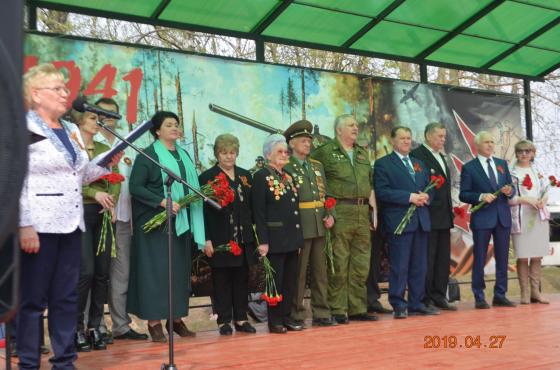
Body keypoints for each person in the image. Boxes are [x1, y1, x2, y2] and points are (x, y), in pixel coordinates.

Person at [17, 63, 120, 369]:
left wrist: (106, 162)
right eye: (58, 88)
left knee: (65, 298)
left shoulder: (73, 130)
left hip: (71, 224)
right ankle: (28, 362)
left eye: (66, 88)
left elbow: (82, 174)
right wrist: (24, 224)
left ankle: (64, 361)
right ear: (36, 94)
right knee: (33, 301)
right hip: (38, 226)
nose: (65, 94)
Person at [127, 111, 205, 342]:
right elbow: (135, 187)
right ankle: (154, 323)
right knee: (156, 275)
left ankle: (176, 320)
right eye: (168, 124)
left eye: (176, 124)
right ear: (157, 131)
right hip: (154, 227)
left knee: (178, 273)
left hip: (179, 224)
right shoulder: (148, 156)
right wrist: (161, 201)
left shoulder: (184, 155)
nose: (174, 128)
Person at [311, 114, 378, 324]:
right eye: (350, 125)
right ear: (339, 130)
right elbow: (317, 184)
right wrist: (327, 212)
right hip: (339, 211)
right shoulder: (324, 153)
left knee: (361, 263)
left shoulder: (362, 153)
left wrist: (373, 212)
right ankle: (338, 309)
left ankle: (357, 307)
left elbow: (369, 184)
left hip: (361, 211)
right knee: (339, 262)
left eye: (356, 125)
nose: (355, 128)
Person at [92, 98, 148, 341]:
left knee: (121, 274)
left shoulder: (127, 143)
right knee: (94, 274)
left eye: (113, 115)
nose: (109, 119)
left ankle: (121, 325)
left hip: (124, 219)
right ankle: (90, 326)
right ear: (95, 117)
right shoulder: (90, 142)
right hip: (98, 218)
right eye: (103, 115)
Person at [374, 126, 438, 319]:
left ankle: (416, 303)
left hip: (420, 220)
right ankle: (398, 303)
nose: (406, 141)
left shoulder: (419, 163)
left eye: (409, 138)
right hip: (399, 221)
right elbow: (382, 192)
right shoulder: (383, 164)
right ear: (393, 141)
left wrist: (427, 196)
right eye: (402, 138)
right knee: (400, 265)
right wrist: (409, 197)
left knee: (420, 265)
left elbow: (430, 187)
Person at [71, 106, 120, 351]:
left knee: (102, 272)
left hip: (103, 214)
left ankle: (95, 325)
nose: (97, 121)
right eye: (92, 117)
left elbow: (116, 177)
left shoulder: (104, 149)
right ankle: (75, 327)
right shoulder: (73, 148)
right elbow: (73, 180)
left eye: (98, 118)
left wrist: (112, 202)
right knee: (86, 272)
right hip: (80, 213)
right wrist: (95, 192)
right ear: (79, 122)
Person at [199, 134, 257, 336]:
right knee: (221, 280)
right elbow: (203, 212)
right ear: (217, 153)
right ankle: (224, 321)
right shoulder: (207, 177)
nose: (228, 157)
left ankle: (241, 318)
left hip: (243, 238)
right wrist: (205, 239)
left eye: (232, 152)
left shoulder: (245, 176)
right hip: (220, 238)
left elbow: (252, 207)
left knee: (242, 279)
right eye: (224, 153)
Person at [283, 120, 337, 327]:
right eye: (303, 141)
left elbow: (327, 194)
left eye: (309, 140)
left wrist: (330, 214)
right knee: (298, 274)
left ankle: (322, 312)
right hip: (300, 226)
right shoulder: (286, 166)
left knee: (320, 272)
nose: (308, 144)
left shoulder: (317, 166)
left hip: (319, 225)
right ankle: (296, 314)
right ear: (292, 143)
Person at [252, 134, 304, 333]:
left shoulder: (287, 176)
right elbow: (259, 212)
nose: (284, 155)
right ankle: (274, 321)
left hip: (291, 237)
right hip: (274, 240)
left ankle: (287, 317)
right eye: (279, 152)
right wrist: (263, 241)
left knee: (290, 280)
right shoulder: (261, 176)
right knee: (277, 281)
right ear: (268, 155)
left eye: (285, 151)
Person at [459, 131, 516, 309]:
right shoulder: (469, 167)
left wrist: (510, 191)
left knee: (502, 258)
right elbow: (464, 194)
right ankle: (479, 295)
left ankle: (500, 294)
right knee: (480, 258)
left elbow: (511, 188)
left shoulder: (501, 164)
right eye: (486, 142)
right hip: (483, 218)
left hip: (502, 218)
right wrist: (481, 196)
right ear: (477, 145)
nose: (490, 145)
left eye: (492, 142)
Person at [410, 122, 456, 311]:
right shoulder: (418, 155)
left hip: (444, 215)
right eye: (439, 136)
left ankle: (439, 294)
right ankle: (425, 297)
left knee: (442, 258)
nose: (443, 140)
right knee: (427, 258)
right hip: (428, 214)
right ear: (428, 136)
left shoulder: (442, 157)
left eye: (444, 137)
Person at [509, 140, 549, 304]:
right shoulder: (511, 172)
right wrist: (525, 199)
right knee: (523, 256)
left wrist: (543, 200)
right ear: (516, 153)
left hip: (538, 215)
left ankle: (535, 292)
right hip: (520, 216)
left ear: (533, 153)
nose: (524, 154)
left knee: (537, 255)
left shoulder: (538, 170)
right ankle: (524, 292)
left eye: (527, 151)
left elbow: (545, 190)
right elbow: (508, 198)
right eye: (520, 151)